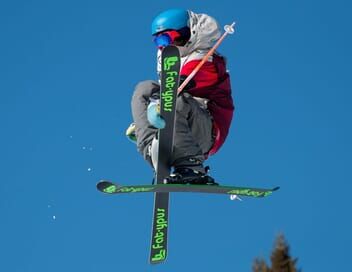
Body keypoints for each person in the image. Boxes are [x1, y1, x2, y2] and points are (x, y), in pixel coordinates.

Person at [126, 9, 234, 184]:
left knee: (174, 100)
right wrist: (142, 123)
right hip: (179, 125)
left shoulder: (208, 60)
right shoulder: (171, 60)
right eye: (160, 41)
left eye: (170, 37)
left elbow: (185, 83)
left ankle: (192, 165)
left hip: (206, 131)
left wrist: (157, 105)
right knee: (144, 88)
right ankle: (152, 149)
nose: (166, 45)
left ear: (189, 33)